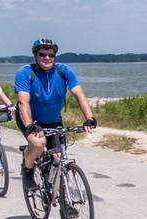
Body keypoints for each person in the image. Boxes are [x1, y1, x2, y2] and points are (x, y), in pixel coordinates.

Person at [13, 38, 96, 191]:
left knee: (59, 160)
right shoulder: (25, 73)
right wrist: (30, 125)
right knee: (39, 144)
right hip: (30, 119)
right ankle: (27, 168)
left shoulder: (63, 71)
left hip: (53, 120)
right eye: (42, 54)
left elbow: (79, 94)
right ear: (35, 55)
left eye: (51, 55)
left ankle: (64, 202)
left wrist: (89, 118)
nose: (47, 58)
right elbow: (23, 103)